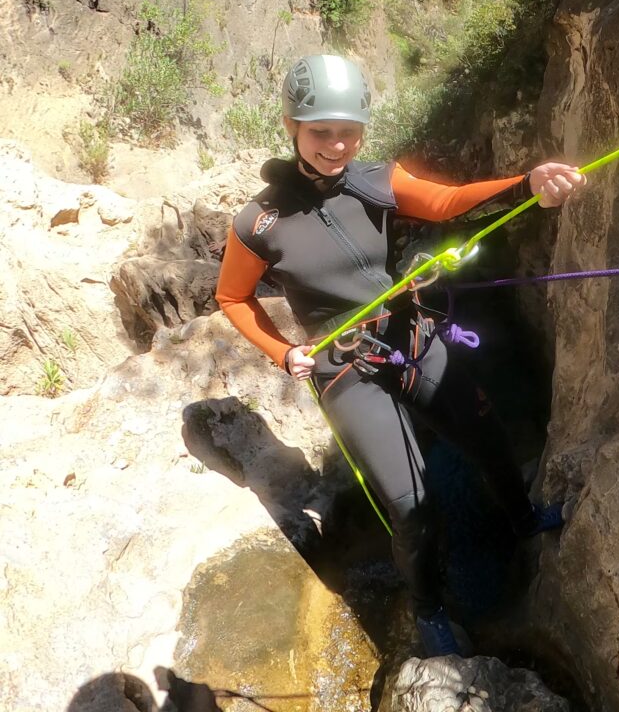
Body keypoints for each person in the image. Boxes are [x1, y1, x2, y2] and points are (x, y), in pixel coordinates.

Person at [215, 54, 587, 656]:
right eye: (321, 132)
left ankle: (522, 518)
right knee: (412, 501)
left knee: (486, 434)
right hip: (344, 369)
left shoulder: (377, 182)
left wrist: (528, 185)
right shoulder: (260, 223)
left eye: (348, 131)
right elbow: (232, 297)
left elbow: (447, 202)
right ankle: (428, 608)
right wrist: (284, 353)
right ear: (290, 125)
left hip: (410, 338)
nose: (337, 146)